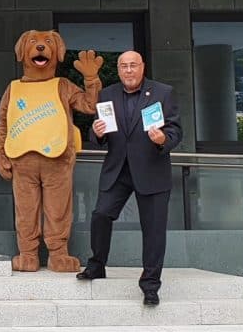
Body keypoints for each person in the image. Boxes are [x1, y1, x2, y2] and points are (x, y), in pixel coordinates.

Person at [76, 50, 182, 306]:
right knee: (101, 214)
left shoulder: (162, 93)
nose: (129, 70)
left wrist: (163, 140)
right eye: (124, 66)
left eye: (133, 65)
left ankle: (150, 285)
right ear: (119, 69)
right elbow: (100, 134)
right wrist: (96, 132)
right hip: (118, 169)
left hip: (151, 170)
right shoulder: (107, 94)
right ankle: (97, 264)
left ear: (142, 67)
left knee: (154, 230)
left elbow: (176, 129)